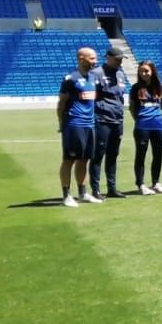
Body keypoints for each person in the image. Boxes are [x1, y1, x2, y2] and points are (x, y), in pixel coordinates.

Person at [57, 47, 104, 207]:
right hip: (74, 124)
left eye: (95, 58)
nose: (95, 61)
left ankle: (83, 193)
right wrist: (62, 123)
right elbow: (61, 104)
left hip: (90, 124)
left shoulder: (93, 77)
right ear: (81, 58)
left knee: (84, 160)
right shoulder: (71, 79)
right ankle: (66, 195)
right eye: (91, 58)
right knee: (69, 160)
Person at [89, 47, 128, 199]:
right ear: (108, 57)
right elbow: (92, 96)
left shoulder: (120, 74)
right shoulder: (96, 73)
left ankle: (112, 188)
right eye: (117, 58)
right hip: (102, 119)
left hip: (117, 119)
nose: (119, 61)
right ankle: (95, 189)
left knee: (113, 155)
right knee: (98, 155)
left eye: (121, 59)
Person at [129, 60, 162, 195]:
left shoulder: (160, 88)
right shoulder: (135, 88)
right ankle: (141, 184)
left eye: (146, 71)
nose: (144, 73)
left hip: (158, 125)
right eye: (141, 71)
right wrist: (139, 120)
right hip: (142, 126)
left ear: (152, 71)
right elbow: (132, 108)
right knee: (141, 155)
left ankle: (156, 183)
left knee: (158, 155)